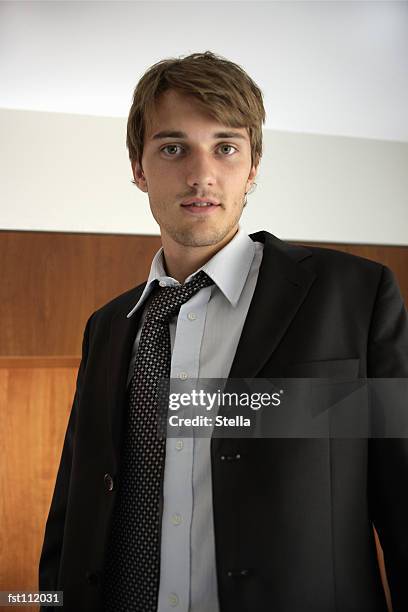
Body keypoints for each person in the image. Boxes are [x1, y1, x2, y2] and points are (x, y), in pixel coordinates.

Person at [39, 51, 408, 612]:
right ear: (139, 168)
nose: (201, 174)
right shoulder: (109, 327)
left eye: (226, 147)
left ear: (253, 165)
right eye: (172, 148)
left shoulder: (353, 296)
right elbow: (74, 505)